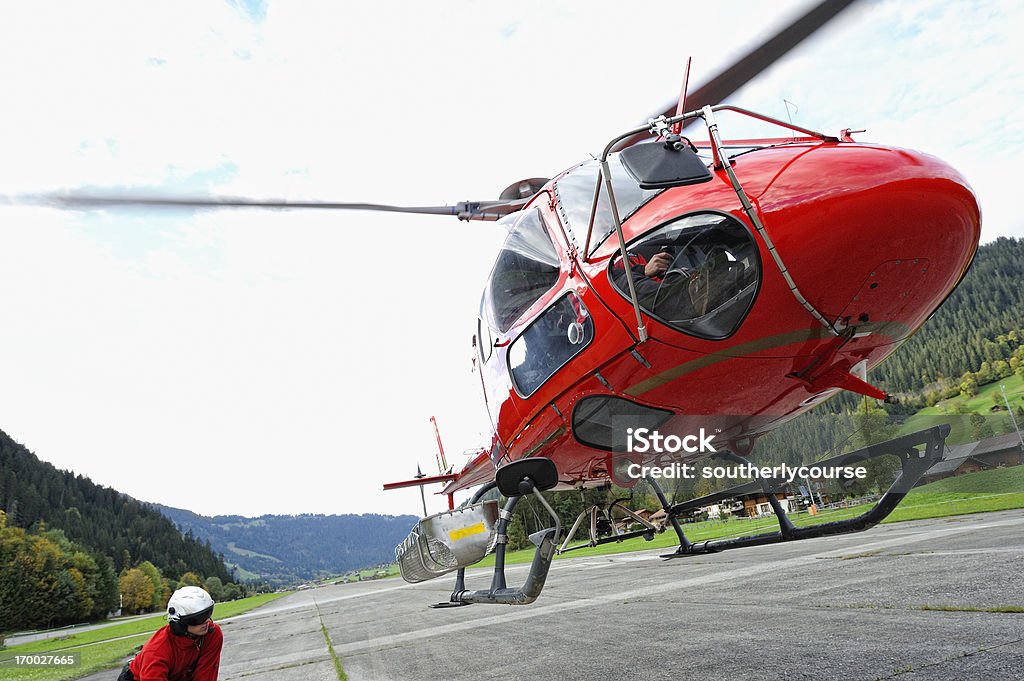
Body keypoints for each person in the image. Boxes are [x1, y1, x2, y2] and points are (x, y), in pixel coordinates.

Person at [118, 586, 223, 681]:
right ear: (178, 622)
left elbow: (206, 675)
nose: (206, 621)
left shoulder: (212, 633)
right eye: (198, 618)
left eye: (208, 613)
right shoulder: (157, 651)